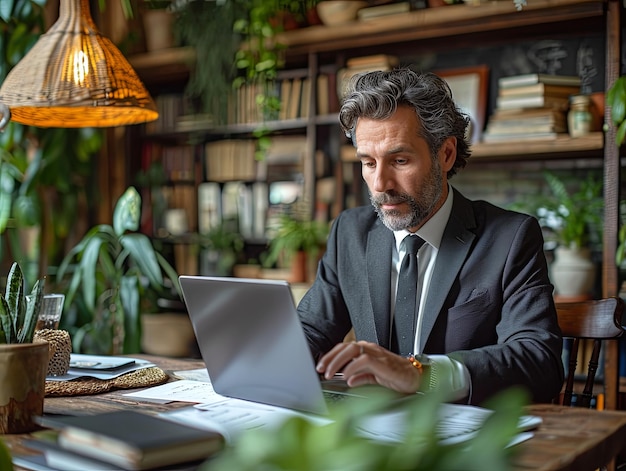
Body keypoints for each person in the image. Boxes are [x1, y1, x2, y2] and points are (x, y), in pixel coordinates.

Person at [296, 68, 564, 406]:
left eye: (400, 160)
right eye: (368, 163)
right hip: (367, 434)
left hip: (462, 443)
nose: (380, 184)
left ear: (446, 154)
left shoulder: (510, 238)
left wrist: (422, 373)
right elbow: (308, 331)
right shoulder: (350, 232)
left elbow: (538, 363)